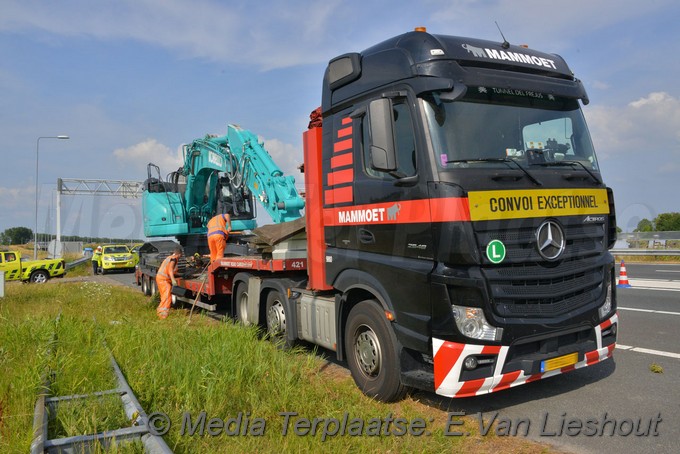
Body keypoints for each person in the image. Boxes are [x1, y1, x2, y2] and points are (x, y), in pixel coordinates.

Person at [156, 245, 183, 320]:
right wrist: (173, 279)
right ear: (179, 254)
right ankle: (163, 315)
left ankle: (160, 312)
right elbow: (170, 270)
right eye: (181, 255)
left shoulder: (169, 258)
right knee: (167, 297)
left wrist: (179, 274)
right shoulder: (174, 259)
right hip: (164, 280)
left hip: (160, 278)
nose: (181, 257)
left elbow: (170, 270)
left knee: (164, 297)